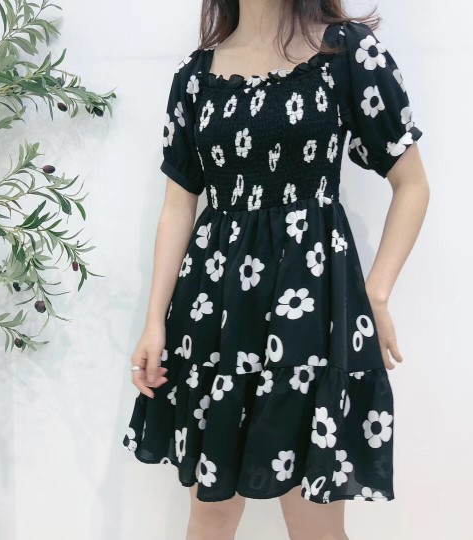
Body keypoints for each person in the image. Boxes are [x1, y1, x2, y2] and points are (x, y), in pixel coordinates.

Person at [123, 0, 429, 538]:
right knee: (211, 513)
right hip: (215, 311)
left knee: (313, 521)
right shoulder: (196, 76)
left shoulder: (345, 51)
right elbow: (179, 205)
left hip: (311, 310)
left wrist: (376, 294)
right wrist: (154, 322)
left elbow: (412, 184)